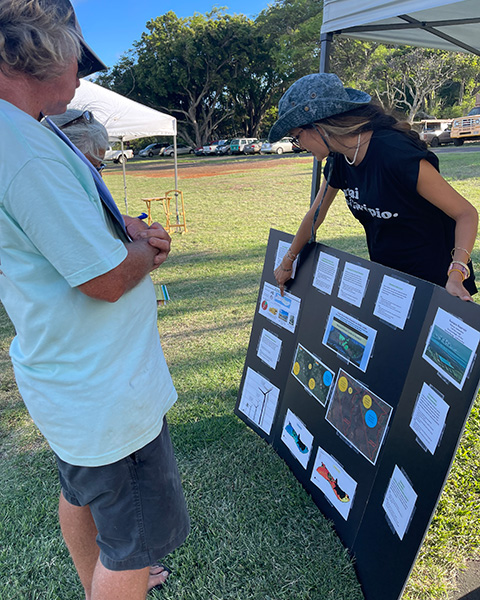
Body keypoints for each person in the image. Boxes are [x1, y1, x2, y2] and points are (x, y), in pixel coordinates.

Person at [0, 2, 190, 600]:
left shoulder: (24, 135)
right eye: (73, 58)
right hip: (105, 393)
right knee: (132, 547)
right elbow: (104, 280)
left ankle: (97, 585)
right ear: (23, 55)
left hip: (74, 383)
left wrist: (121, 232)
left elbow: (65, 245)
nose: (81, 76)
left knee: (84, 497)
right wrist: (147, 251)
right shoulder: (23, 148)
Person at [271, 73, 478, 301]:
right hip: (391, 280)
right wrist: (287, 261)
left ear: (319, 126)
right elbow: (315, 215)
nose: (298, 145)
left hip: (439, 280)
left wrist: (457, 273)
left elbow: (466, 214)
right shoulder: (339, 159)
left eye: (296, 137)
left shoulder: (394, 154)